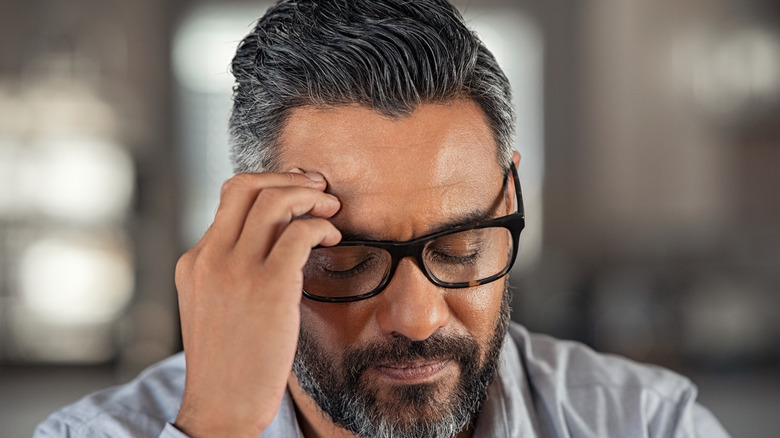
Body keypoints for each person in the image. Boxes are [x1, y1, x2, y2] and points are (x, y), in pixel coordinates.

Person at [35, 0, 731, 437]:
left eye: (460, 248)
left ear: (511, 202)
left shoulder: (647, 421)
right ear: (251, 237)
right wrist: (218, 431)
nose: (419, 318)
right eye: (344, 258)